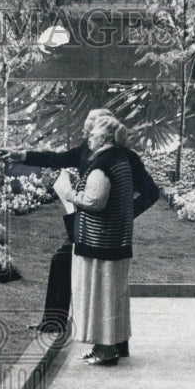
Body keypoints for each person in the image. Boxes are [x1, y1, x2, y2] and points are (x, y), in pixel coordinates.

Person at [0, 109, 159, 355]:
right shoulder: (88, 150)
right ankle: (56, 323)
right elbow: (57, 158)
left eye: (90, 128)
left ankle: (104, 340)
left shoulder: (124, 158)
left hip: (102, 228)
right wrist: (22, 154)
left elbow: (150, 192)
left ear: (105, 131)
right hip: (86, 221)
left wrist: (123, 214)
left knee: (102, 283)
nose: (86, 133)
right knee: (65, 263)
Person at [51, 112, 137, 365]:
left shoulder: (103, 164)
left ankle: (106, 349)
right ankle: (111, 345)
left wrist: (69, 194)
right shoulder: (119, 158)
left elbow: (94, 201)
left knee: (100, 294)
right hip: (115, 239)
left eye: (91, 134)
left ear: (102, 138)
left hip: (100, 242)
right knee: (112, 295)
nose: (87, 138)